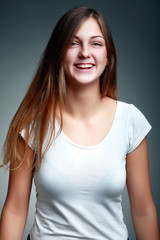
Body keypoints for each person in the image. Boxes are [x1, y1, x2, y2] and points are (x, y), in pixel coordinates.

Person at [0, 6, 159, 240]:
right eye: (73, 43)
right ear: (58, 54)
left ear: (108, 57)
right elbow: (14, 210)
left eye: (96, 43)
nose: (85, 53)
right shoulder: (32, 124)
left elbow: (144, 210)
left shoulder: (130, 121)